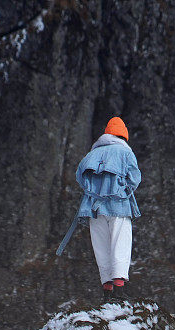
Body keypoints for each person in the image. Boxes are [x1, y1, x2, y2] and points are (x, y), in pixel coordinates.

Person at [72, 117, 141, 300]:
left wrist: (95, 189)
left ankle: (107, 292)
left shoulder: (91, 155)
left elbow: (80, 176)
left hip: (94, 208)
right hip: (118, 205)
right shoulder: (126, 153)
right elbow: (135, 178)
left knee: (101, 247)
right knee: (120, 244)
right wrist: (123, 189)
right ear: (123, 136)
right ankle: (119, 290)